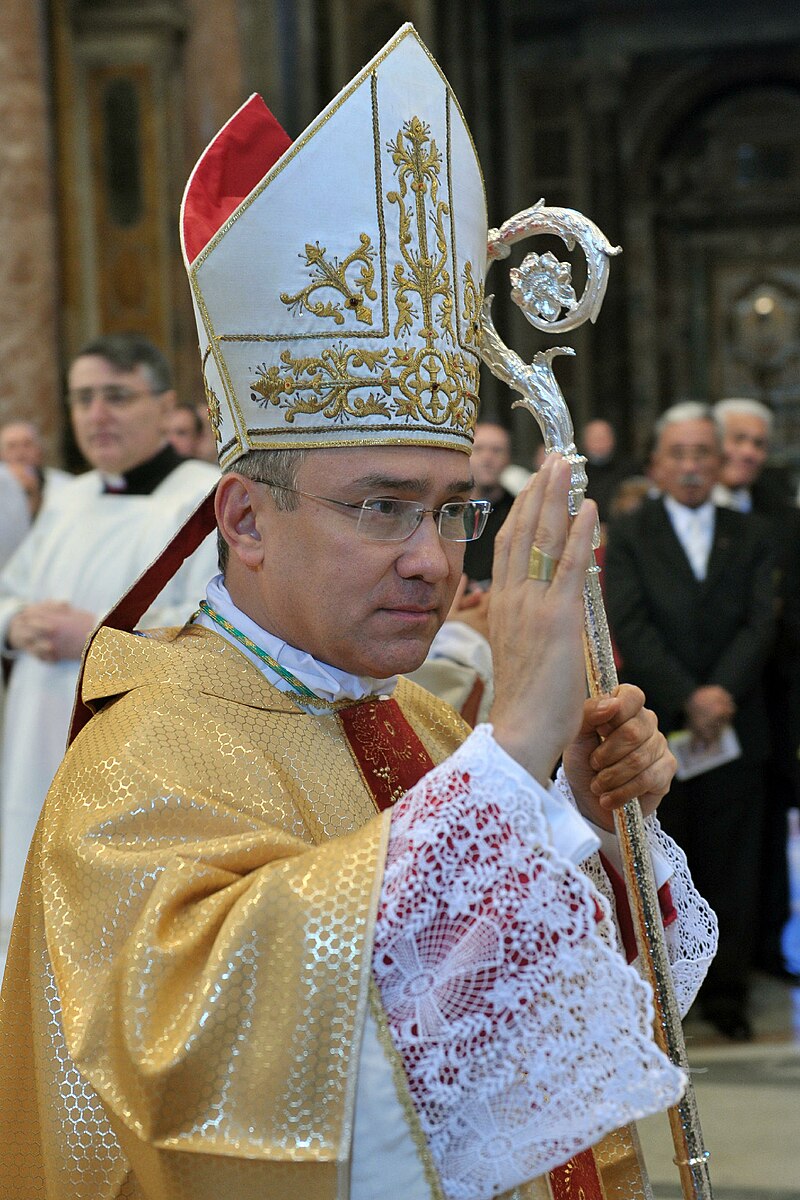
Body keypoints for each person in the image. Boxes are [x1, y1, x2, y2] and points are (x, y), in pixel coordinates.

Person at [0, 30, 716, 1200]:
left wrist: (581, 826)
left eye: (451, 512)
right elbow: (211, 1093)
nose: (431, 562)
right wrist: (513, 758)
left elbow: (538, 1052)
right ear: (243, 516)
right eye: (381, 507)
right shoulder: (141, 753)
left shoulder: (424, 729)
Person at [0, 334, 219, 966]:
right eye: (83, 399)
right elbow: (11, 591)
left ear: (163, 404)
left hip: (130, 748)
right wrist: (17, 625)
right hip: (37, 740)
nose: (97, 416)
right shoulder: (68, 499)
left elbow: (210, 631)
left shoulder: (201, 499)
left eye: (116, 397)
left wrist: (93, 636)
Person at [604, 401, 774, 1040]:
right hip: (659, 730)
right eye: (679, 454)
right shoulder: (631, 532)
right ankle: (663, 999)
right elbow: (631, 623)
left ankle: (729, 998)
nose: (693, 466)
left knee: (736, 866)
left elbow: (762, 621)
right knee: (663, 865)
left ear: (720, 461)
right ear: (656, 463)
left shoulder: (752, 533)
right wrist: (689, 696)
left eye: (704, 453)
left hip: (737, 727)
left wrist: (722, 692)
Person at [713, 396, 800, 981]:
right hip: (703, 694)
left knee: (771, 825)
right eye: (736, 440)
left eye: (757, 445)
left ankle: (767, 945)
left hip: (773, 692)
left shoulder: (777, 514)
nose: (746, 453)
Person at [462, 421, 515, 584]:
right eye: (478, 449)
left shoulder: (519, 513)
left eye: (496, 450)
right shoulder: (446, 511)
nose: (487, 458)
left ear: (508, 459)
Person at [0, 419, 71, 513]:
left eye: (27, 444)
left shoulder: (67, 486)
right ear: (1, 454)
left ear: (40, 450)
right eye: (12, 446)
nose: (20, 453)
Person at [581, 418, 637, 523]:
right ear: (585, 441)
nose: (600, 443)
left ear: (612, 440)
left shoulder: (628, 469)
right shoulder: (577, 471)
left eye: (603, 438)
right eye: (595, 438)